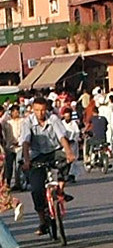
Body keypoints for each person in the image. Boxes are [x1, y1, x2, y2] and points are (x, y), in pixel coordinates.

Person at [20, 96, 75, 234]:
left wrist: (68, 153)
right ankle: (42, 221)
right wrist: (27, 161)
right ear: (32, 110)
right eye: (37, 110)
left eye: (43, 110)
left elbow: (62, 137)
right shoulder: (27, 122)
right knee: (36, 189)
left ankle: (61, 189)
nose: (40, 113)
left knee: (66, 161)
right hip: (36, 155)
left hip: (53, 151)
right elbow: (25, 143)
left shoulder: (53, 119)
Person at [2, 104, 24, 188]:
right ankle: (8, 183)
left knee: (18, 166)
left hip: (19, 146)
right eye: (14, 111)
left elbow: (24, 133)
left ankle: (18, 184)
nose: (16, 113)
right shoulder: (7, 123)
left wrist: (20, 141)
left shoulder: (23, 121)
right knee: (9, 166)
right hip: (9, 147)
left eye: (17, 111)